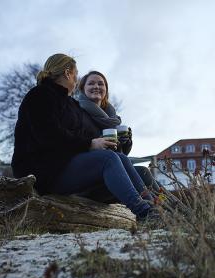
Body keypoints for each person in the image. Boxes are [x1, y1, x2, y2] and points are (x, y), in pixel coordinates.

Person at [11, 53, 155, 220]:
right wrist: (90, 144)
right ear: (67, 73)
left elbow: (82, 135)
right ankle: (144, 213)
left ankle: (155, 209)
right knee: (108, 159)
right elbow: (50, 135)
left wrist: (114, 143)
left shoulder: (68, 103)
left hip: (62, 166)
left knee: (118, 157)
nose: (76, 79)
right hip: (42, 172)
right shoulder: (40, 95)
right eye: (76, 74)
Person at [77, 70, 160, 192]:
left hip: (113, 168)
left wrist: (125, 142)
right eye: (91, 83)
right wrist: (96, 143)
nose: (96, 86)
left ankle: (168, 207)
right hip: (89, 173)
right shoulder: (77, 111)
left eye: (101, 84)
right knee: (143, 172)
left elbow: (121, 155)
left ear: (106, 89)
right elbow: (75, 143)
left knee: (148, 177)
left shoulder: (110, 116)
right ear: (83, 88)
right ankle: (159, 209)